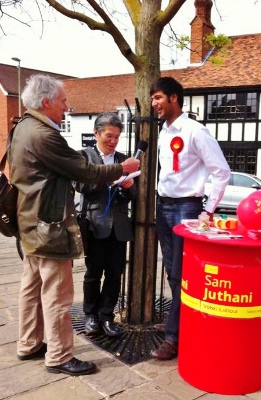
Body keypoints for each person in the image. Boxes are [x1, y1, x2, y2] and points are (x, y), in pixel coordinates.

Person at [8, 74, 140, 376]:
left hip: (29, 223)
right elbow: (84, 170)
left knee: (31, 288)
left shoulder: (22, 127)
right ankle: (58, 355)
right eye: (63, 101)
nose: (67, 107)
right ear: (46, 102)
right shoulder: (44, 134)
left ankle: (29, 343)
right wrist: (124, 168)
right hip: (49, 227)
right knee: (57, 295)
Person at [149, 77, 231, 360]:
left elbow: (222, 172)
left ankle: (173, 337)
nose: (154, 103)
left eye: (158, 97)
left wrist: (208, 211)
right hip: (164, 207)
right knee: (173, 273)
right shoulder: (163, 131)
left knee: (184, 274)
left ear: (173, 98)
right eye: (152, 98)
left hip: (187, 209)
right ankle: (178, 321)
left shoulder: (196, 132)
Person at [74, 112, 137, 337]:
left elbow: (134, 195)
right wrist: (108, 177)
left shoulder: (123, 159)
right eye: (109, 136)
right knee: (93, 274)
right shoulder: (84, 157)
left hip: (118, 228)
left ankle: (107, 316)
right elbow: (80, 185)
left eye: (117, 137)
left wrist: (129, 187)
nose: (113, 141)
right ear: (96, 133)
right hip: (94, 225)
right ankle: (90, 315)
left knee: (114, 274)